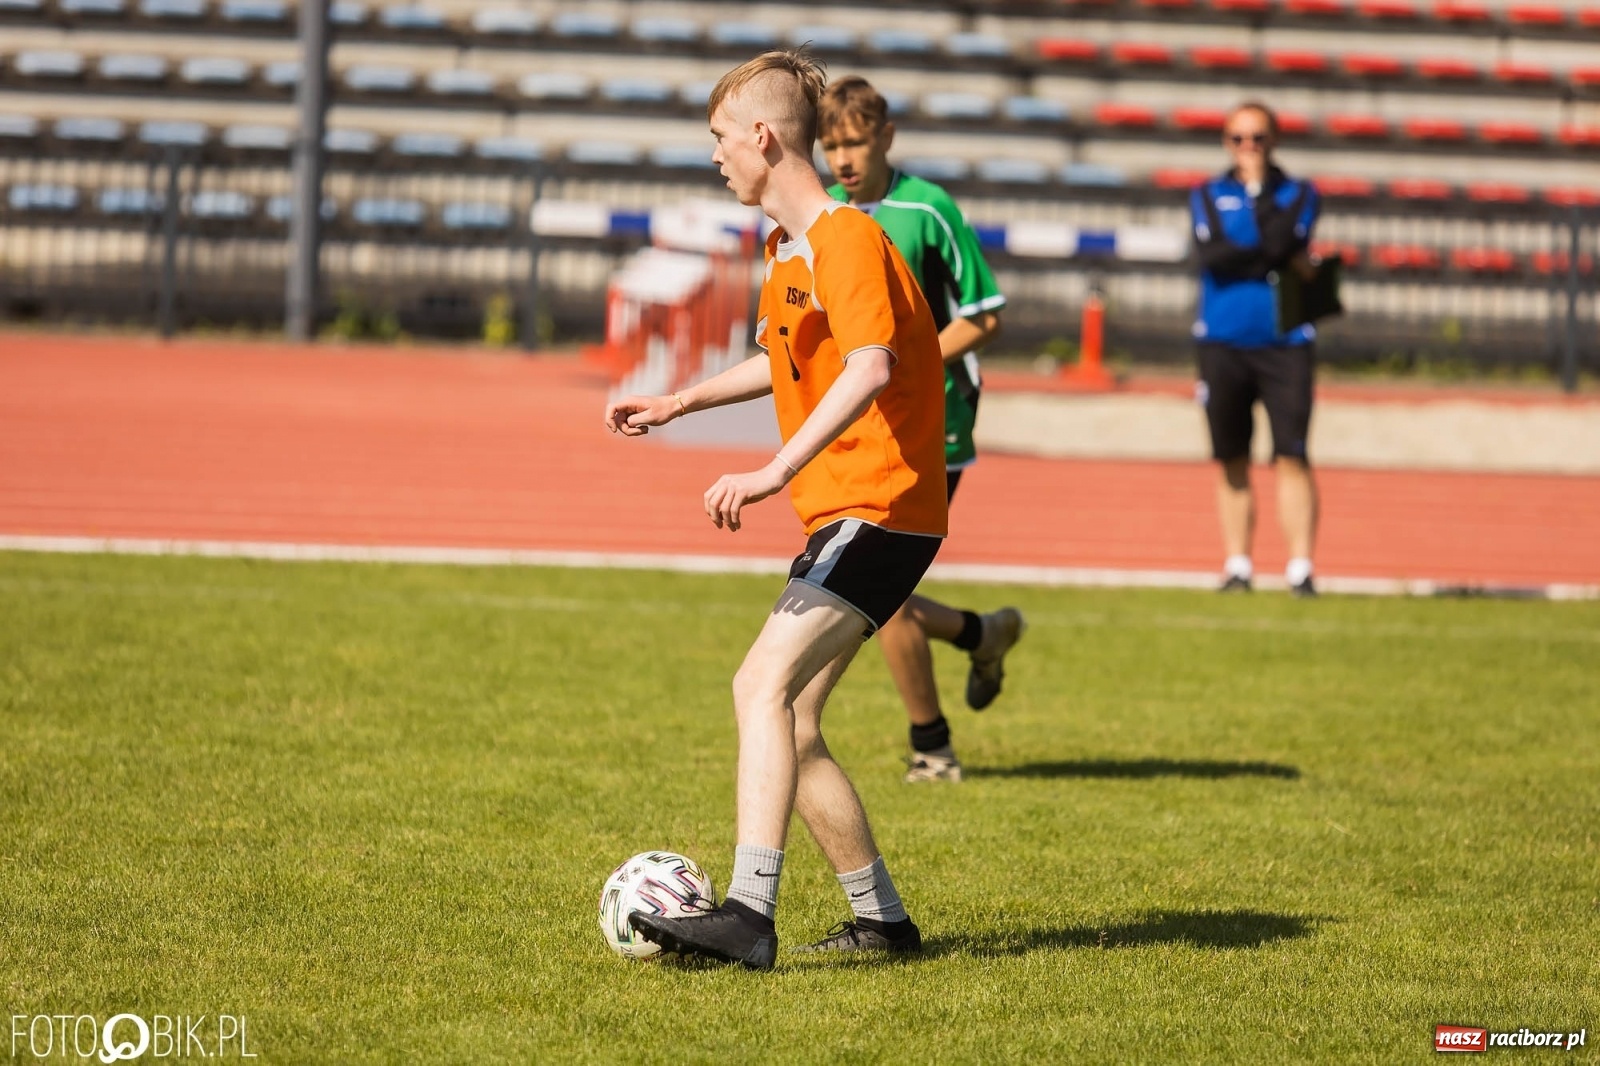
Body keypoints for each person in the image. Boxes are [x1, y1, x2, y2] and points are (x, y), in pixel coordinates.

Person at [603, 50, 946, 968]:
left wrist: (767, 471)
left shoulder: (846, 238)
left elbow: (870, 366)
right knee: (790, 719)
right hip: (850, 511)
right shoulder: (786, 249)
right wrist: (680, 401)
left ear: (761, 136)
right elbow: (787, 363)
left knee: (757, 687)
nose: (714, 156)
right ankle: (884, 924)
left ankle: (749, 914)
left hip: (882, 505)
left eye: (719, 137)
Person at [818, 76, 1025, 785]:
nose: (843, 158)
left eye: (854, 141)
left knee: (883, 586)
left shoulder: (926, 208)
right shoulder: (827, 218)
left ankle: (932, 748)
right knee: (874, 583)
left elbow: (986, 312)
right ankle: (980, 632)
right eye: (831, 145)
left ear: (885, 137)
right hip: (863, 420)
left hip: (936, 415)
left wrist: (912, 360)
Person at [1190, 101, 1323, 596]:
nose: (1249, 148)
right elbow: (1215, 255)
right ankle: (1238, 564)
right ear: (1226, 143)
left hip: (1286, 341)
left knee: (1292, 454)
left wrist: (1258, 198)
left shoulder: (1299, 192)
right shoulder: (1205, 193)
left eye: (1258, 138)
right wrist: (1270, 252)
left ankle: (1301, 568)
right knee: (1232, 456)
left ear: (1275, 141)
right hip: (1222, 340)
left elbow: (1281, 238)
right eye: (1239, 139)